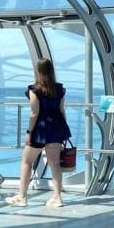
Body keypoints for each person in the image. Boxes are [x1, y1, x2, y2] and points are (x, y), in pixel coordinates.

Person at [5, 59, 71, 208]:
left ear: (38, 71)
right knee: (54, 163)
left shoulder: (34, 89)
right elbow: (61, 110)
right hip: (56, 128)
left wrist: (29, 132)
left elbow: (34, 113)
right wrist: (63, 131)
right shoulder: (59, 89)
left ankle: (22, 196)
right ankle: (57, 197)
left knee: (27, 161)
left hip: (40, 130)